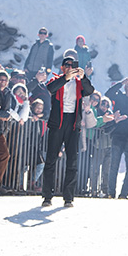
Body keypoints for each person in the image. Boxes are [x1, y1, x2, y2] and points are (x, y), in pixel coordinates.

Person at [41, 55, 94, 207]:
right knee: (51, 159)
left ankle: (68, 197)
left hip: (72, 123)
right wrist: (65, 77)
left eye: (73, 65)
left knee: (72, 161)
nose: (70, 67)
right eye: (67, 65)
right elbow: (50, 88)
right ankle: (47, 196)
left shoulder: (79, 83)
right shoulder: (56, 80)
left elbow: (89, 90)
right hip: (58, 122)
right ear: (63, 67)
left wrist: (83, 77)